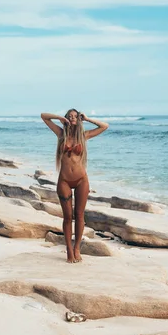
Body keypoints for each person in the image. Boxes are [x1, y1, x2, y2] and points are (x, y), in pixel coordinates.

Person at [41, 109, 109, 263]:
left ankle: (77, 247)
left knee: (79, 215)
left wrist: (87, 118)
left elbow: (105, 126)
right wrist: (59, 118)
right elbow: (43, 117)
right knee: (67, 217)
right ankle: (69, 250)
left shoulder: (83, 136)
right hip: (64, 180)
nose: (72, 118)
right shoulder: (60, 134)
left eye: (75, 116)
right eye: (69, 116)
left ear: (79, 119)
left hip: (81, 181)